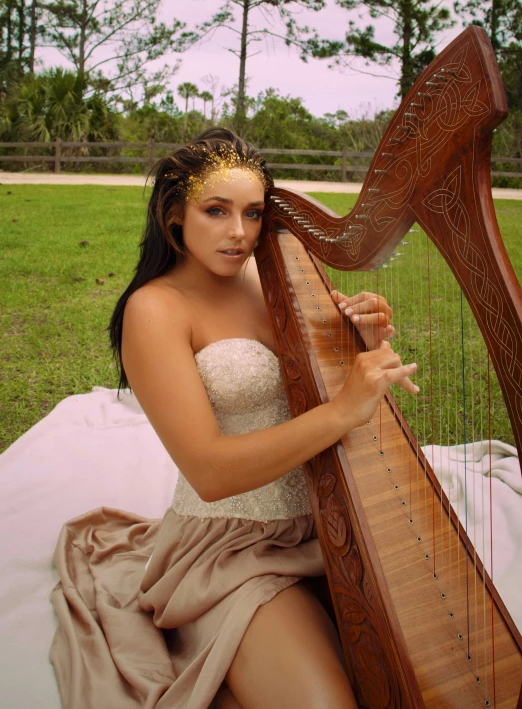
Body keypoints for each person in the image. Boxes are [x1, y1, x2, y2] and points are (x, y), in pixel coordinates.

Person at [49, 127, 418, 709]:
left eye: (252, 213)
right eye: (215, 211)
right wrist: (345, 405)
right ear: (175, 214)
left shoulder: (274, 280)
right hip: (231, 549)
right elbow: (210, 472)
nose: (239, 233)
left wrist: (357, 346)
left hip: (328, 521)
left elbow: (325, 399)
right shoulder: (155, 310)